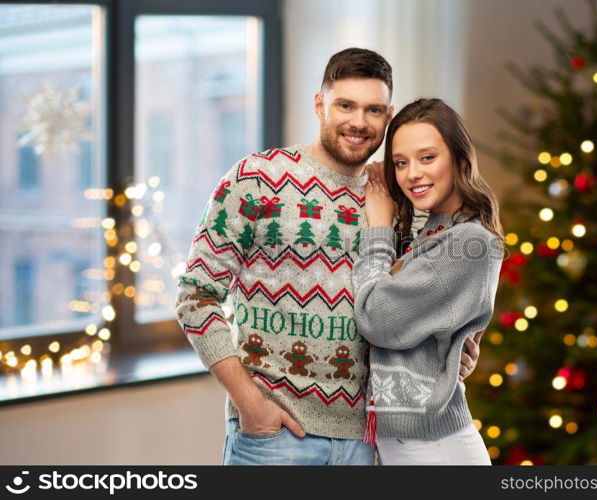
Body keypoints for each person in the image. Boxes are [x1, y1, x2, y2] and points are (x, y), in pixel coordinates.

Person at [175, 49, 482, 465]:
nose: (359, 122)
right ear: (319, 105)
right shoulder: (257, 178)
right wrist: (249, 403)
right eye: (345, 105)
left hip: (366, 443)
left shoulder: (398, 198)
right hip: (274, 437)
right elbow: (195, 296)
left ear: (388, 116)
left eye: (373, 109)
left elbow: (415, 305)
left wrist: (455, 347)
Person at [352, 98, 505, 465]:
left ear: (459, 158)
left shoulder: (469, 242)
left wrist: (377, 231)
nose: (412, 174)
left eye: (427, 158)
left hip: (437, 449)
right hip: (414, 446)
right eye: (401, 163)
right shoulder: (434, 229)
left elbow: (377, 318)